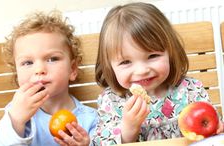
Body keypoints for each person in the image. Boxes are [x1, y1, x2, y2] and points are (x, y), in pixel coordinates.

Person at [92, 2, 223, 145]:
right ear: (110, 67)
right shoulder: (111, 101)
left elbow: (214, 131)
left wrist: (216, 130)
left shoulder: (191, 90)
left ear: (170, 53)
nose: (142, 71)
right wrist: (127, 131)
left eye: (152, 56)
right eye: (125, 62)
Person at [0, 10, 98, 146]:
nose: (39, 70)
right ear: (17, 73)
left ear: (72, 69)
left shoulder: (91, 119)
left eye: (52, 59)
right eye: (28, 63)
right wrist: (16, 121)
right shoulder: (16, 113)